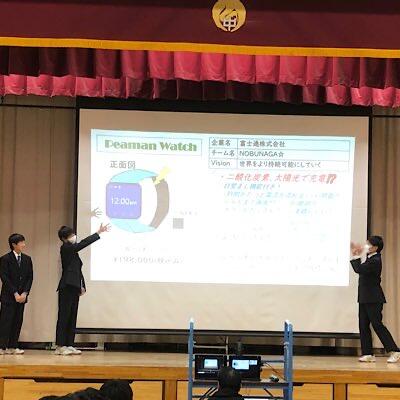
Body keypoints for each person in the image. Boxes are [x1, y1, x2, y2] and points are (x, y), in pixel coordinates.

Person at [55, 223, 110, 356]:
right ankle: (60, 346)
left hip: (74, 286)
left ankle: (69, 344)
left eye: (73, 234)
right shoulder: (66, 248)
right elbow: (82, 244)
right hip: (67, 286)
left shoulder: (73, 252)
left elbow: (78, 270)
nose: (74, 236)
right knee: (64, 316)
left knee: (72, 316)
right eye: (71, 235)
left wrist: (82, 285)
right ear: (64, 238)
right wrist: (98, 233)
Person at [350, 236, 400, 363]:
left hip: (373, 298)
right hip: (364, 297)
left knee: (377, 324)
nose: (366, 246)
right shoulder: (370, 258)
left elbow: (359, 269)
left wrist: (356, 255)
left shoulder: (376, 260)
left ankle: (394, 351)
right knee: (363, 325)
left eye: (369, 244)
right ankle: (368, 353)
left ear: (376, 247)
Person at [0, 234, 33, 355]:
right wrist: (14, 292)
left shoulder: (27, 259)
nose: (24, 244)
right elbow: (4, 277)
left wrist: (25, 293)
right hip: (9, 296)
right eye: (21, 242)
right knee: (5, 321)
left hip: (22, 297)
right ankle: (2, 346)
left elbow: (30, 277)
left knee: (18, 321)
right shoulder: (5, 259)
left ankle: (13, 346)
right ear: (14, 245)